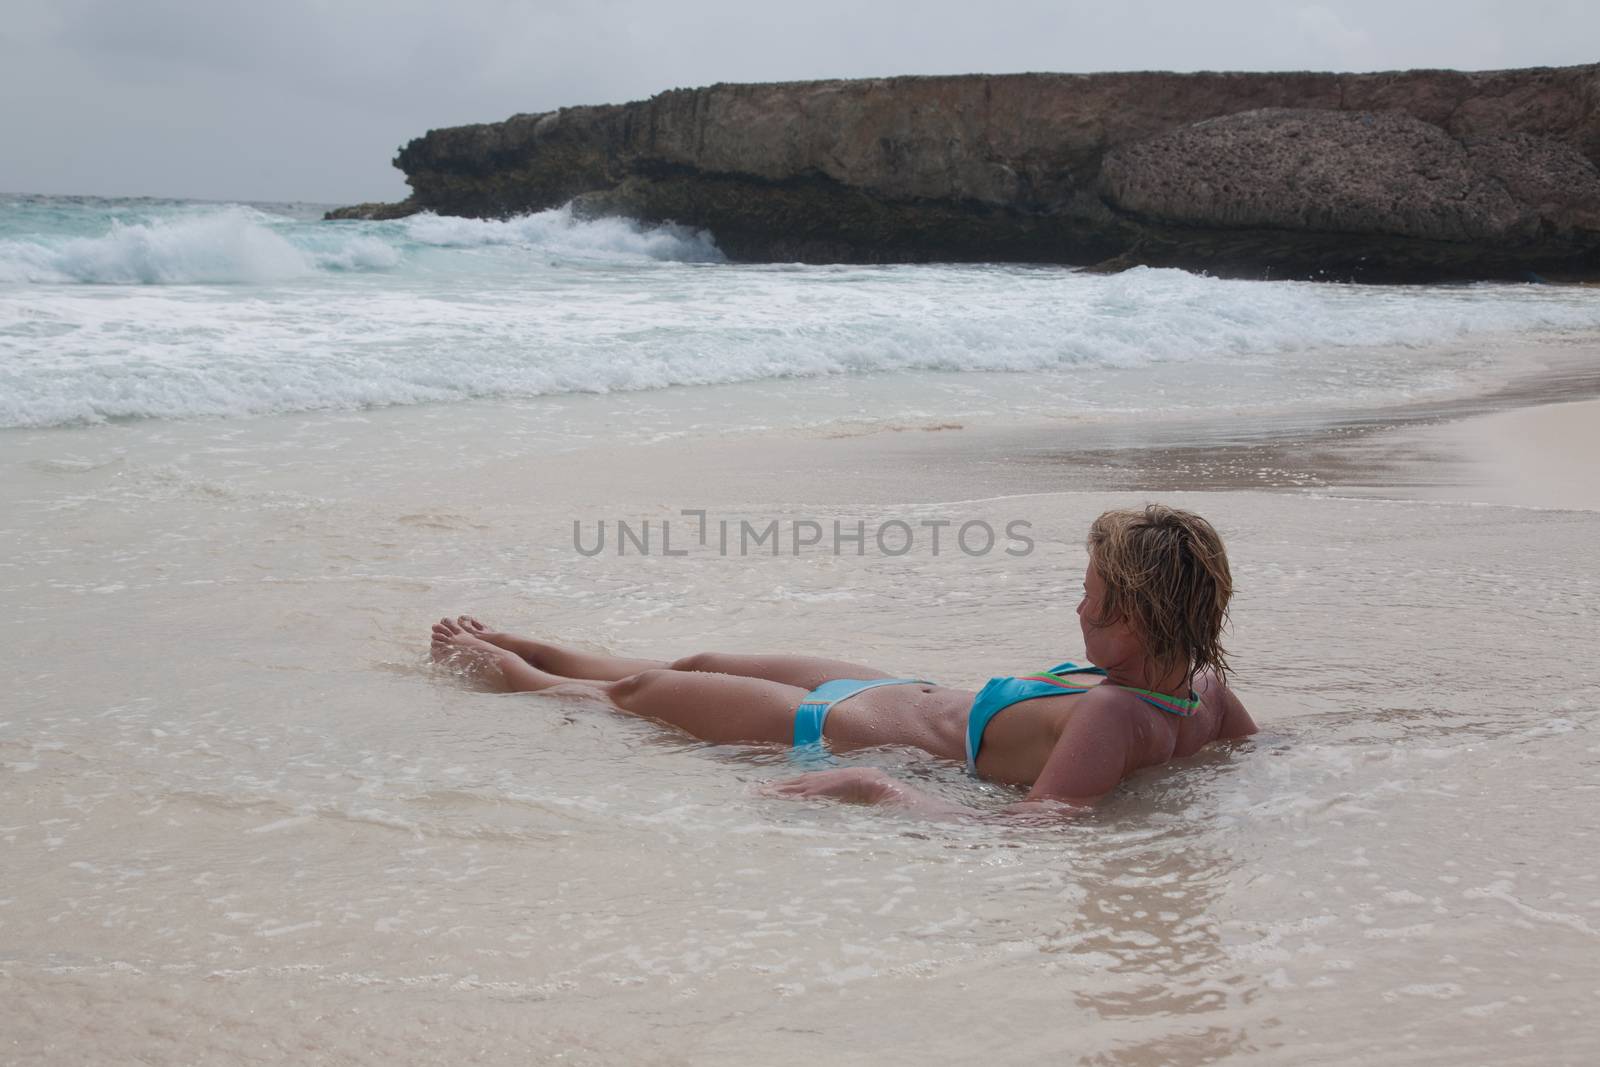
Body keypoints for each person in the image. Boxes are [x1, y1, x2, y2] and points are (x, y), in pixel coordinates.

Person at [428, 504, 1257, 816]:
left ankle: (499, 666)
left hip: (843, 725)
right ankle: (527, 642)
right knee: (699, 658)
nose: (1078, 607)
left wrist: (875, 786)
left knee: (634, 694)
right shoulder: (1201, 691)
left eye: (1094, 596)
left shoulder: (1115, 713)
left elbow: (1035, 827)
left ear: (1145, 616)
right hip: (893, 686)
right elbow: (1257, 755)